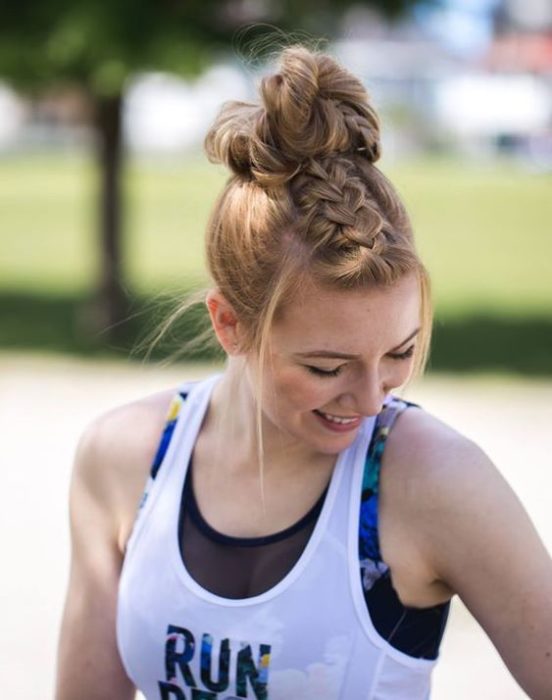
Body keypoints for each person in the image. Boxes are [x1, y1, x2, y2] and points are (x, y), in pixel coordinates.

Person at [55, 46, 552, 700]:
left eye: (399, 353)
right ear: (229, 324)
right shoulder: (123, 457)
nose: (373, 399)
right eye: (327, 367)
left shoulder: (435, 480)